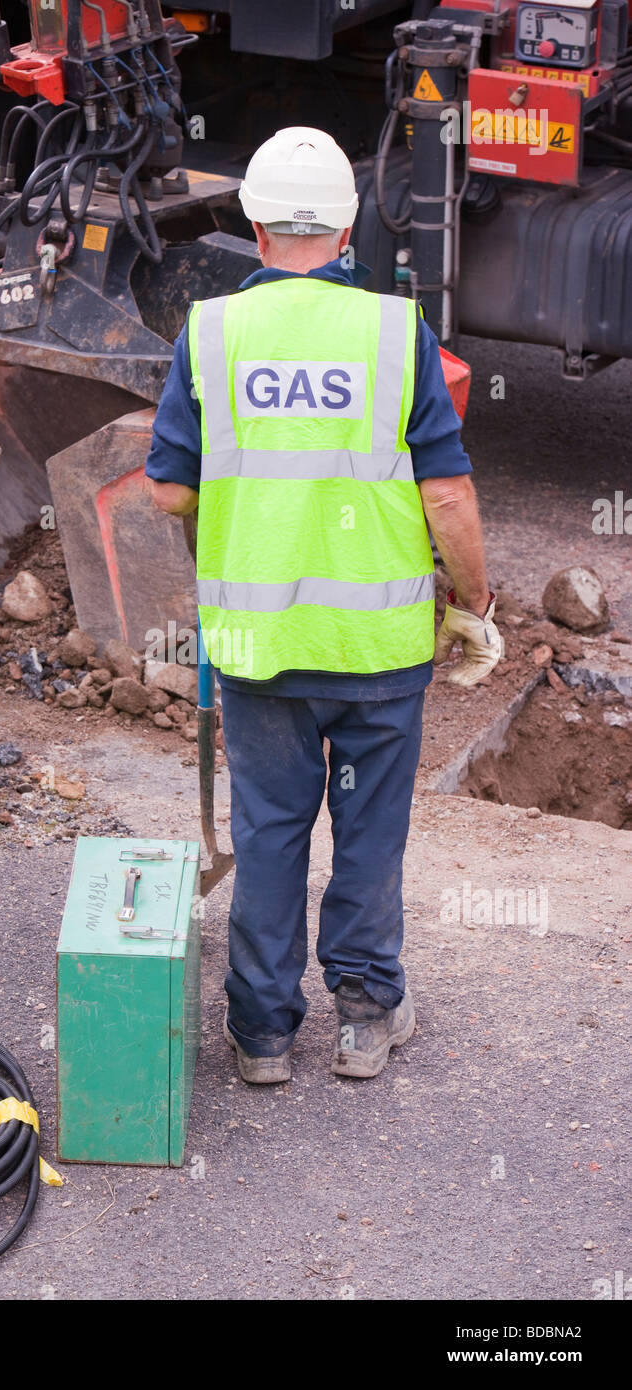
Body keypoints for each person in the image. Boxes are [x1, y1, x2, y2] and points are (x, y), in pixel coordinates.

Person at [145, 127, 503, 1084]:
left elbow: (171, 492)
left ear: (254, 226)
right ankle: (364, 1020)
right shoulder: (396, 331)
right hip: (380, 651)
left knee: (269, 835)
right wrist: (472, 600)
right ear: (348, 232)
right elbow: (447, 495)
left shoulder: (211, 332)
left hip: (261, 647)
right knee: (370, 833)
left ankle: (262, 1037)